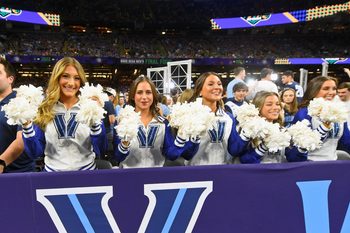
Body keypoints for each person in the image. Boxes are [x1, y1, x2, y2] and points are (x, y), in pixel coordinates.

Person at [22, 57, 107, 171]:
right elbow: (35, 153)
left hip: (87, 176)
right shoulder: (45, 108)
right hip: (52, 177)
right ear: (57, 78)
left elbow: (101, 149)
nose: (71, 83)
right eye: (65, 76)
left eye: (76, 78)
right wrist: (26, 126)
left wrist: (95, 121)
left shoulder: (90, 107)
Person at [113, 75, 194, 168]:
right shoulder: (122, 121)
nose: (144, 97)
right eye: (139, 92)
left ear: (153, 95)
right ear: (132, 96)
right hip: (128, 177)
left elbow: (171, 155)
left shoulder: (163, 123)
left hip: (155, 178)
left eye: (148, 92)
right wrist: (124, 144)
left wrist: (181, 136)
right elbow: (117, 157)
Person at [183, 72, 249, 165]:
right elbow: (185, 154)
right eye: (210, 84)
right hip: (196, 173)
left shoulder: (228, 117)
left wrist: (248, 131)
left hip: (221, 172)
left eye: (219, 84)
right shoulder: (189, 114)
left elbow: (234, 150)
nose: (217, 87)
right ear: (200, 91)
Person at [287, 76, 350, 162]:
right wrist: (324, 128)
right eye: (326, 88)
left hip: (333, 165)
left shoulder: (338, 112)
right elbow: (298, 148)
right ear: (314, 91)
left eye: (334, 88)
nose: (331, 92)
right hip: (308, 165)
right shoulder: (305, 113)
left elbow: (346, 142)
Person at [0, 57, 35, 173]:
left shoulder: (22, 101)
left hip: (18, 174)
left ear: (10, 79)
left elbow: (21, 141)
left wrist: (1, 162)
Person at [239, 91, 290, 164]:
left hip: (279, 174)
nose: (275, 108)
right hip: (258, 174)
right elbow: (244, 160)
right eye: (269, 104)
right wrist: (263, 147)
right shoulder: (248, 129)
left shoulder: (281, 129)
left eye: (278, 104)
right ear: (258, 107)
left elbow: (292, 158)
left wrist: (301, 149)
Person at [103, 87, 116, 162]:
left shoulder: (97, 102)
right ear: (112, 96)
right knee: (109, 151)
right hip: (107, 131)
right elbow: (112, 120)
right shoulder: (109, 103)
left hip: (96, 131)